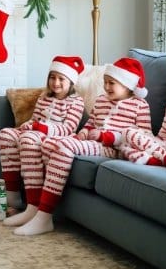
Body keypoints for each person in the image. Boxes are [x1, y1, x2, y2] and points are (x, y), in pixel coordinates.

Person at [11, 57, 152, 236]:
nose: (107, 87)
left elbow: (144, 137)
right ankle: (37, 207)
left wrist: (109, 137)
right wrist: (84, 132)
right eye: (105, 82)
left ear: (128, 85)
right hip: (93, 142)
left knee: (63, 146)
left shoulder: (140, 106)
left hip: (114, 148)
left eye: (112, 83)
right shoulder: (101, 101)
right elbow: (91, 123)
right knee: (48, 144)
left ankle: (44, 216)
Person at [0, 55, 85, 222]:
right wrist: (28, 124)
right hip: (35, 131)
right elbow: (35, 119)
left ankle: (34, 204)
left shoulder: (76, 102)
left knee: (29, 138)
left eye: (61, 79)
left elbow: (68, 129)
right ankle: (13, 196)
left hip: (54, 136)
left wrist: (37, 128)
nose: (56, 82)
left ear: (71, 82)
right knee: (6, 134)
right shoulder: (44, 97)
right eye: (52, 77)